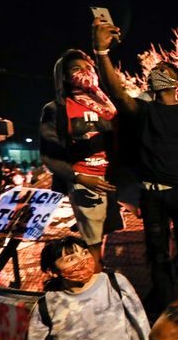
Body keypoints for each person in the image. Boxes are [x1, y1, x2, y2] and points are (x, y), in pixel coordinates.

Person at [92, 20, 178, 315]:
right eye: (155, 70)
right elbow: (116, 91)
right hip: (151, 195)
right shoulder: (142, 111)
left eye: (164, 70)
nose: (157, 71)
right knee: (157, 254)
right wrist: (101, 52)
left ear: (177, 83)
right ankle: (163, 306)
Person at [18, 237, 150, 340]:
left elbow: (139, 324)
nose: (82, 260)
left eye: (85, 253)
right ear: (52, 272)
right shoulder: (46, 306)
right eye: (71, 259)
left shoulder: (114, 284)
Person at [40, 49, 120, 271]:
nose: (85, 72)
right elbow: (49, 154)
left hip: (112, 178)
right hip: (85, 178)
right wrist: (79, 178)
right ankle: (95, 278)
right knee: (92, 239)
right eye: (76, 69)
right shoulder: (57, 109)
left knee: (104, 232)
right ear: (65, 77)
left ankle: (98, 272)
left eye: (88, 68)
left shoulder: (108, 105)